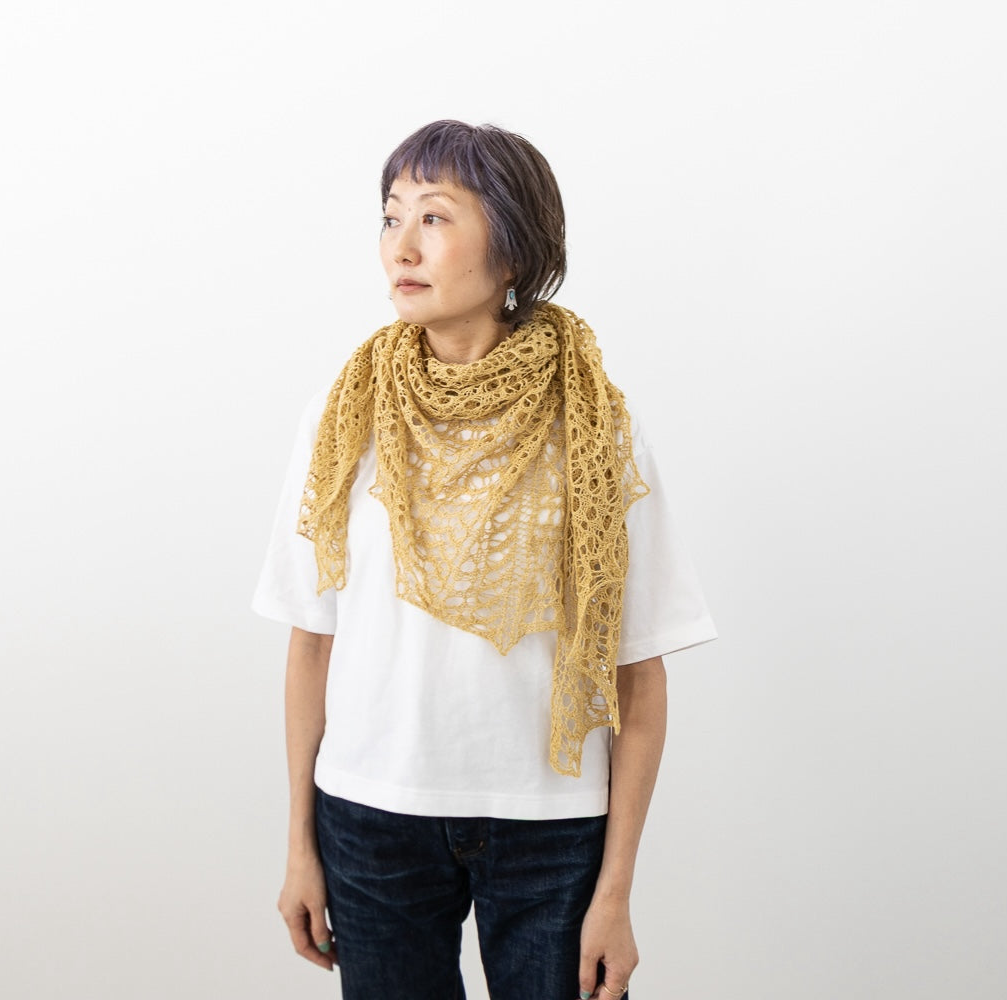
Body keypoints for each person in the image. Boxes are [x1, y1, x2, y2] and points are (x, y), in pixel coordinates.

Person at [252, 120, 717, 1000]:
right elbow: (312, 642)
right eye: (391, 216)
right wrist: (299, 845)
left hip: (551, 828)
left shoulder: (596, 425)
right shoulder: (344, 415)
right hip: (371, 817)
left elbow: (637, 673)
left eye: (434, 217)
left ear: (512, 252)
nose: (402, 245)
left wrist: (616, 892)